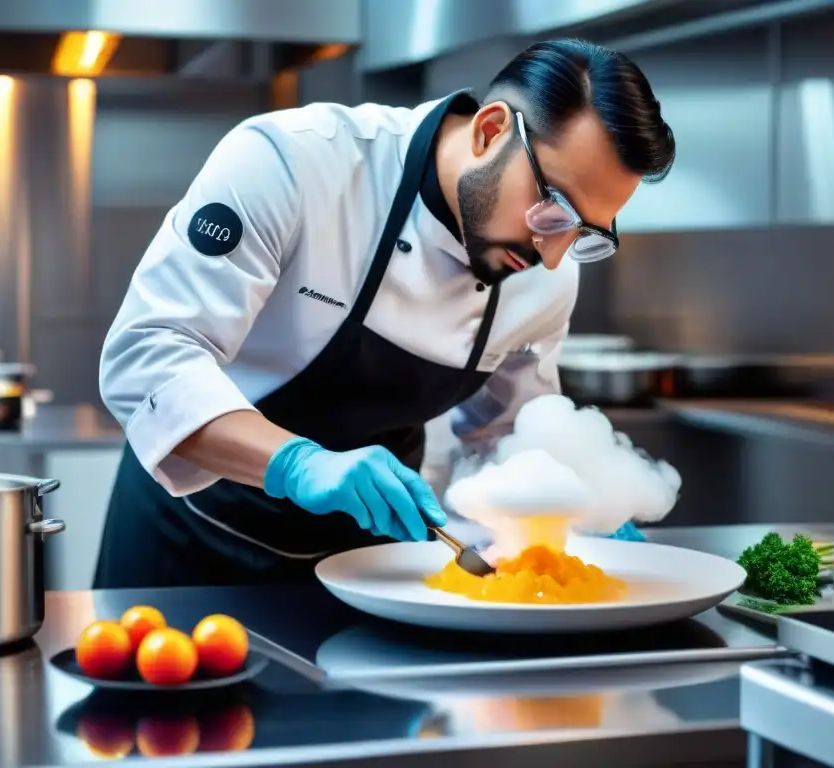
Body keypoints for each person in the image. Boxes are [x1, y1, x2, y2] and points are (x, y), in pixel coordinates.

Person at [93, 38, 676, 589]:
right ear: (490, 130)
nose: (552, 254)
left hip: (370, 567)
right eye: (553, 210)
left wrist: (570, 511)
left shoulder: (544, 276)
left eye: (583, 233)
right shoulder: (296, 161)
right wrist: (298, 465)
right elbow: (149, 355)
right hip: (189, 546)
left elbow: (507, 437)